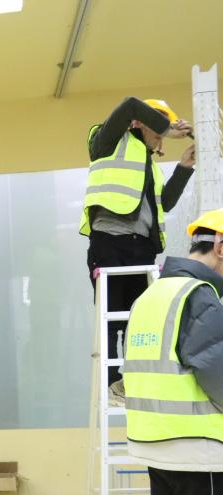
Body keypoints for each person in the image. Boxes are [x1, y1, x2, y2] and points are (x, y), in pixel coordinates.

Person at [123, 209, 223, 495]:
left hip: (154, 438)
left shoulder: (153, 294)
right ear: (221, 247)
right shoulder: (201, 295)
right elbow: (215, 371)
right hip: (197, 444)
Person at [79, 97, 195, 405]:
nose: (161, 136)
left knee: (139, 321)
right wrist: (168, 128)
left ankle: (132, 382)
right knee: (112, 320)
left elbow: (164, 203)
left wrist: (184, 167)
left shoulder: (149, 166)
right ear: (140, 122)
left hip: (141, 247)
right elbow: (130, 104)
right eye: (157, 127)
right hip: (109, 241)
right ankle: (111, 385)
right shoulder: (107, 141)